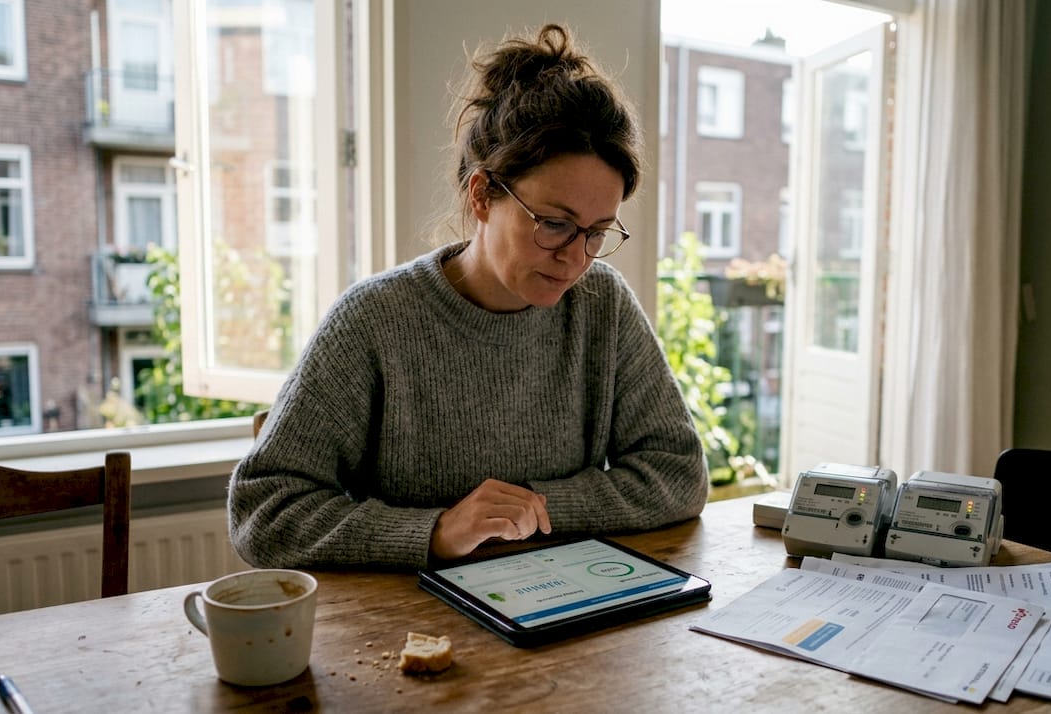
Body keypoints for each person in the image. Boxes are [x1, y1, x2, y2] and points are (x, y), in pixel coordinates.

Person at [228, 23, 708, 570]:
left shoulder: (604, 305)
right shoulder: (374, 321)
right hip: (397, 633)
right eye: (554, 224)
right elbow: (263, 509)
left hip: (555, 614)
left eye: (598, 232)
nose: (576, 260)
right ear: (482, 195)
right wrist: (434, 531)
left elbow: (679, 473)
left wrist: (531, 506)